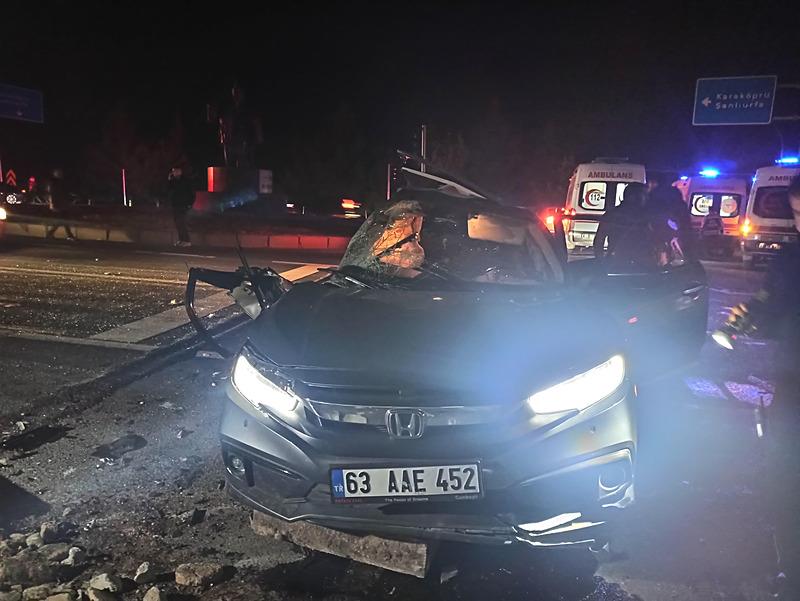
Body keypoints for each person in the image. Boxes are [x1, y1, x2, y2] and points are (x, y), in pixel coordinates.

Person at [720, 173, 800, 599]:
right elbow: (772, 303)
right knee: (788, 478)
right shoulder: (791, 259)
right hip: (793, 382)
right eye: (798, 214)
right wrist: (743, 319)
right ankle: (791, 570)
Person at [593, 182, 649, 260]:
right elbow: (599, 240)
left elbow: (599, 240)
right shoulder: (613, 216)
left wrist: (600, 261)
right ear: (632, 197)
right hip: (625, 263)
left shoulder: (611, 215)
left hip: (619, 262)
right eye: (644, 195)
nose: (647, 198)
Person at [44, 168, 76, 241]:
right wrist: (52, 203)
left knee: (63, 219)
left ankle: (51, 234)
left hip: (61, 203)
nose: (61, 175)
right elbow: (51, 194)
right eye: (59, 173)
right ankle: (69, 235)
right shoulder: (53, 183)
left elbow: (61, 193)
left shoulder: (58, 182)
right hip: (58, 203)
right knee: (62, 219)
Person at [167, 167, 194, 247]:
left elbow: (191, 193)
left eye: (175, 171)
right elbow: (169, 189)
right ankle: (182, 240)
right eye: (173, 171)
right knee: (178, 223)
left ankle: (186, 240)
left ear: (180, 172)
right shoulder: (174, 181)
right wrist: (169, 180)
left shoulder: (185, 181)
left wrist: (189, 204)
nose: (174, 173)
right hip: (176, 204)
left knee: (182, 222)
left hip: (183, 205)